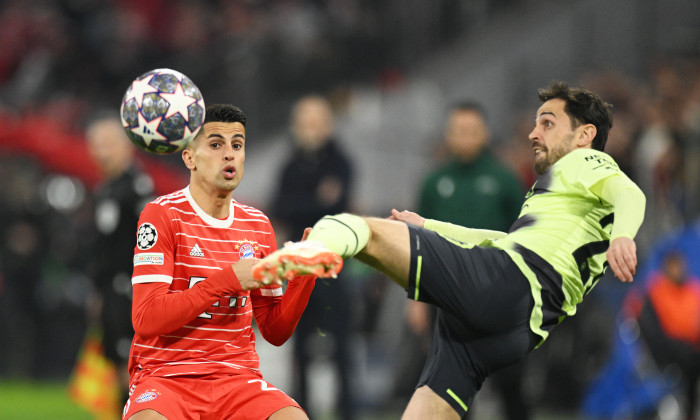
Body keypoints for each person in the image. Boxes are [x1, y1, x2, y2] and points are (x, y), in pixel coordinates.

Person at [252, 81, 646, 419]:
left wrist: (624, 236)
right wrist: (431, 227)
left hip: (509, 284)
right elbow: (500, 241)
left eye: (547, 122)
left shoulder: (586, 162)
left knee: (363, 230)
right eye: (535, 122)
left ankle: (304, 254)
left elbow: (629, 191)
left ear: (585, 135)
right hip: (517, 328)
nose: (533, 133)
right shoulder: (566, 201)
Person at [123, 104, 315, 420]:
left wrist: (303, 276)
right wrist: (230, 280)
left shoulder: (258, 225)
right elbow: (146, 319)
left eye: (237, 145)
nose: (229, 154)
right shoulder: (162, 215)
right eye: (216, 144)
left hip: (237, 380)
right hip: (167, 377)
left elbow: (275, 330)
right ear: (189, 157)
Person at [394, 101, 528, 418]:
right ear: (448, 134)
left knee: (512, 381)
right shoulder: (434, 182)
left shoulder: (505, 180)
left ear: (484, 134)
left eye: (472, 131)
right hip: (449, 297)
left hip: (500, 295)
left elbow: (525, 239)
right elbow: (416, 243)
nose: (465, 137)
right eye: (458, 131)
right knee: (453, 386)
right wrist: (416, 299)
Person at [270, 94, 356, 420]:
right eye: (305, 122)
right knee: (300, 352)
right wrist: (316, 201)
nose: (310, 129)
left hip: (333, 268)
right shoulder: (288, 165)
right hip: (298, 271)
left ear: (329, 125)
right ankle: (301, 413)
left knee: (342, 351)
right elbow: (281, 207)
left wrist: (303, 205)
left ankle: (347, 413)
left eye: (317, 121)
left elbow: (336, 206)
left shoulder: (341, 162)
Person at [85, 113, 155, 405]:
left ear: (128, 147)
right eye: (96, 145)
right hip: (110, 292)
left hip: (133, 291)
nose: (101, 152)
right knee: (116, 364)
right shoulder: (106, 189)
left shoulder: (138, 189)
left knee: (135, 368)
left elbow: (150, 245)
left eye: (108, 144)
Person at [637, 251, 700, 419]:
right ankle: (688, 411)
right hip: (667, 350)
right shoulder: (656, 291)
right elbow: (651, 331)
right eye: (673, 266)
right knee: (691, 363)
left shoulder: (693, 290)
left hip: (692, 348)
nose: (677, 270)